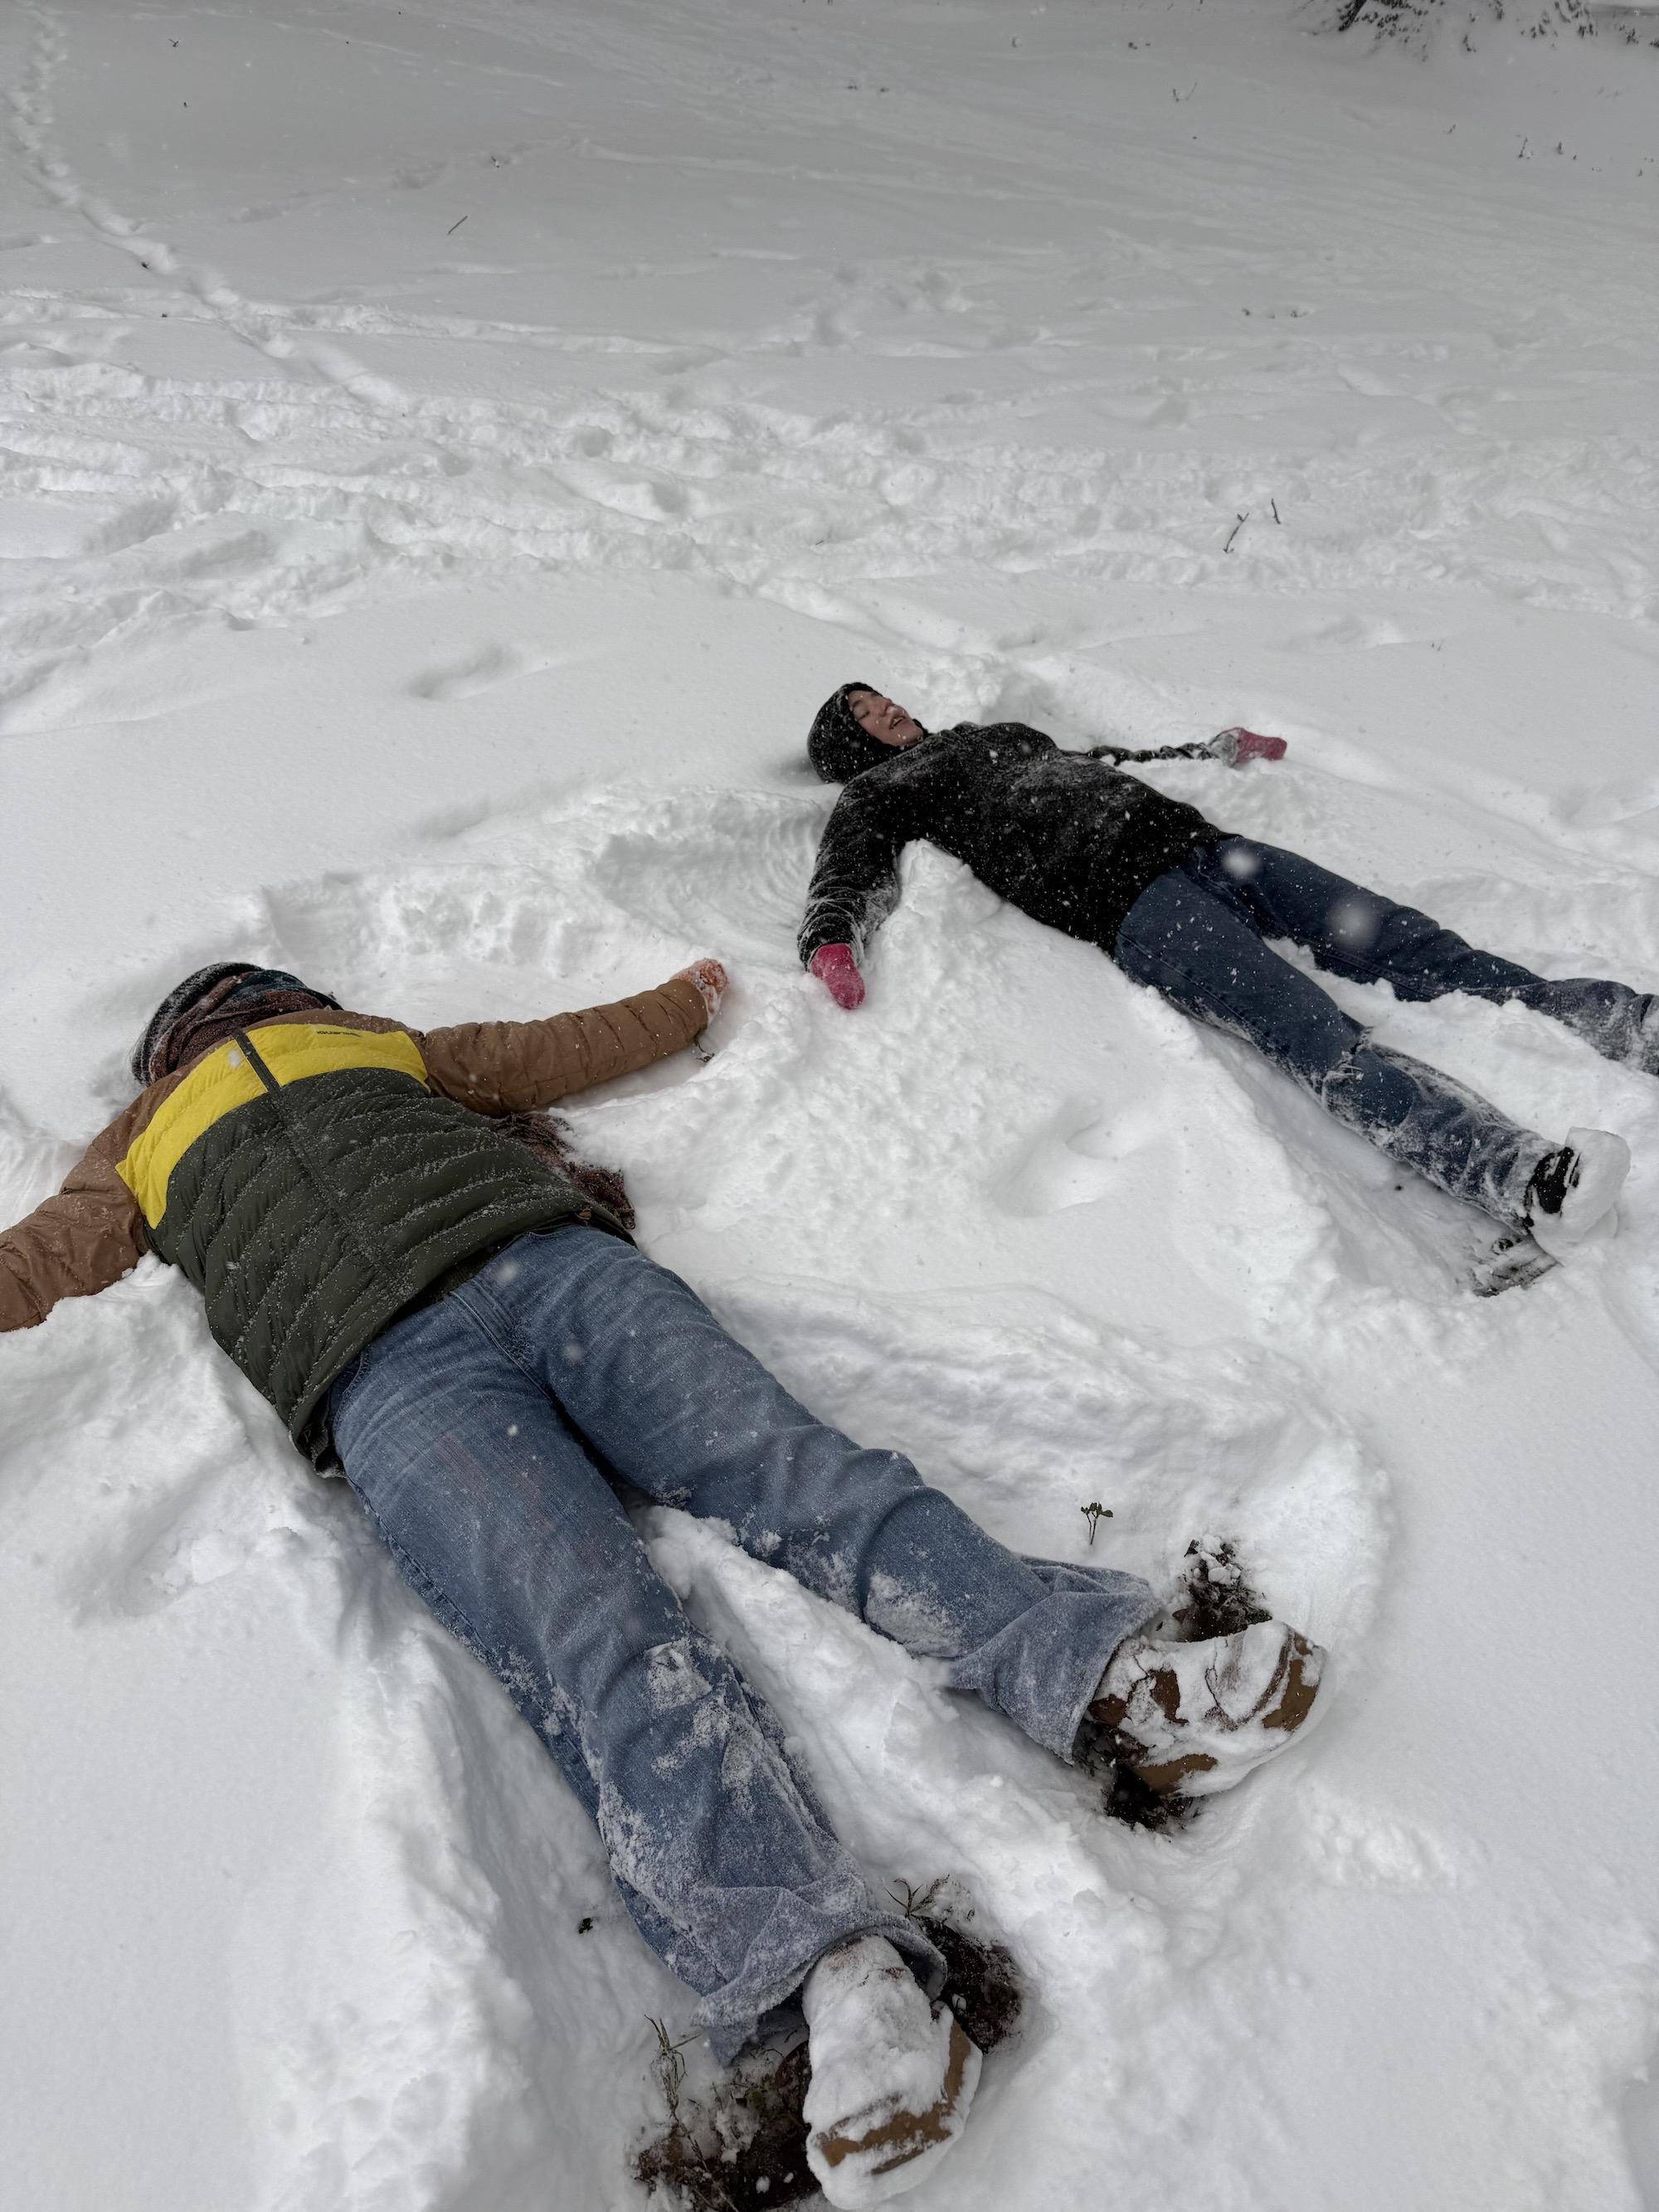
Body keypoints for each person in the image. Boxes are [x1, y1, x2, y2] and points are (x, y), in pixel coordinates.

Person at [0, 959, 1326, 2208]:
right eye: (221, 1006)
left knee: (803, 1475)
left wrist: (680, 1000)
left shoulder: (368, 1043)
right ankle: (831, 1977)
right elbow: (42, 1259)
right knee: (598, 1644)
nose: (245, 1011)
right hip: (387, 1377)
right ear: (168, 1051)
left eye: (258, 993)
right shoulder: (134, 1149)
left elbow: (543, 1052)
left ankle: (1113, 1679)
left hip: (548, 1262)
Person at [800, 683, 1653, 1270]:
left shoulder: (999, 736)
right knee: (1314, 1034)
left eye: (880, 696)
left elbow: (1098, 756)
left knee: (1404, 942)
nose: (887, 709)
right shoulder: (878, 793)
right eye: (865, 714)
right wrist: (830, 941)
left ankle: (1625, 1024)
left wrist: (1203, 748)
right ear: (852, 746)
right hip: (1131, 904)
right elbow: (846, 873)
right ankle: (1522, 1181)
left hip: (1200, 846)